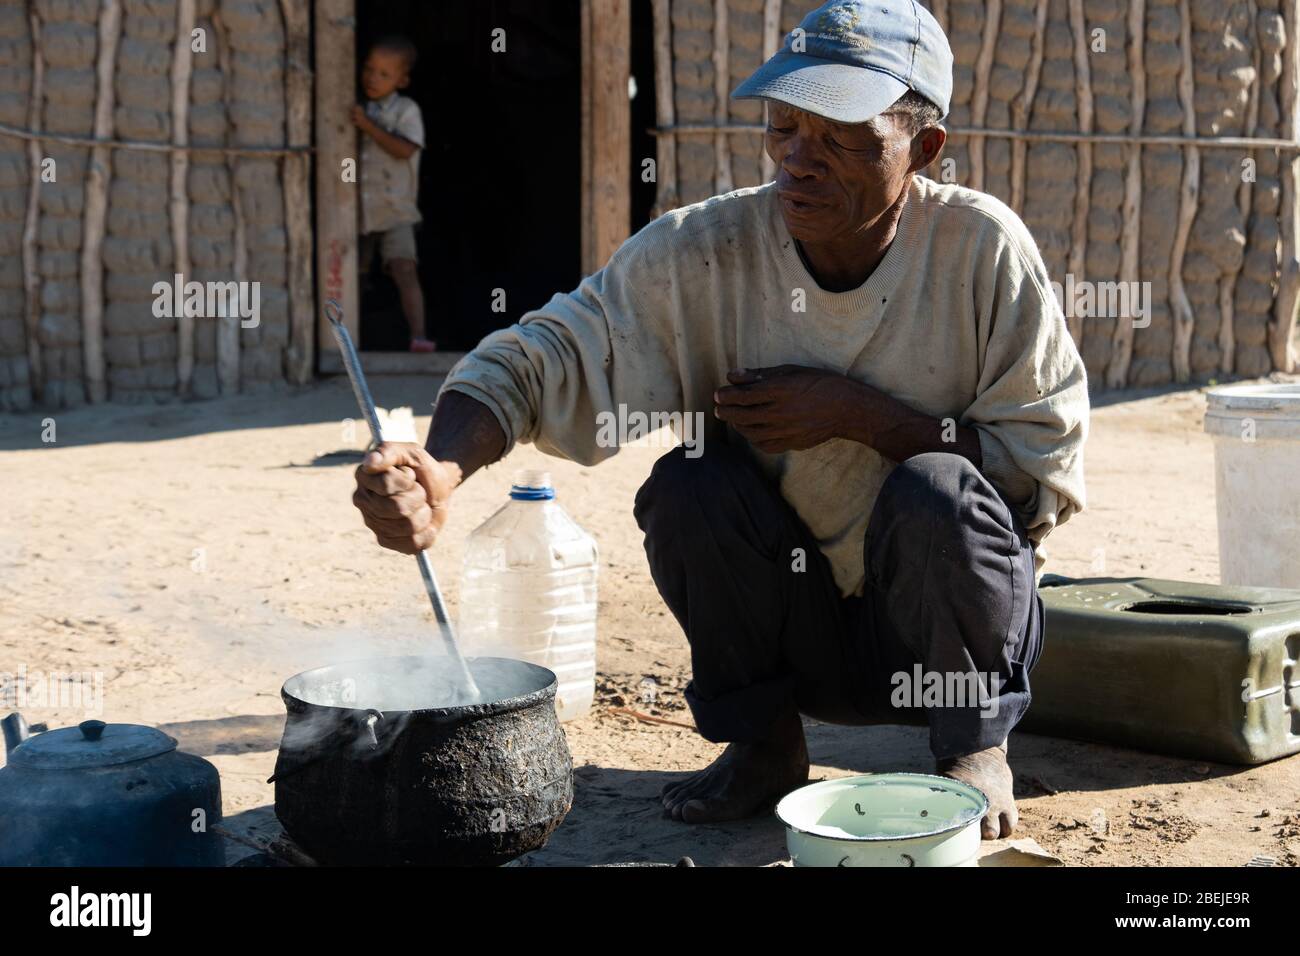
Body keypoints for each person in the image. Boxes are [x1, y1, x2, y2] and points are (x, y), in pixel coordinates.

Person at [350, 0, 1089, 839]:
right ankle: (765, 745)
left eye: (841, 136)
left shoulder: (979, 251)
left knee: (942, 490)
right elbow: (541, 356)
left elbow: (1037, 475)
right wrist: (440, 467)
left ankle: (970, 752)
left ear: (922, 148)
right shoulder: (707, 250)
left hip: (933, 644)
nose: (799, 163)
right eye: (783, 128)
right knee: (688, 486)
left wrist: (860, 417)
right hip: (796, 640)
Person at [352, 35, 435, 352]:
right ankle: (347, 340)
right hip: (360, 211)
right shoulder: (357, 105)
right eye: (370, 69)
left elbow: (403, 149)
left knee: (404, 268)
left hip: (396, 210)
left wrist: (368, 126)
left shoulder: (406, 110)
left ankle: (419, 336)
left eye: (384, 74)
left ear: (403, 80)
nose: (373, 78)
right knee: (353, 275)